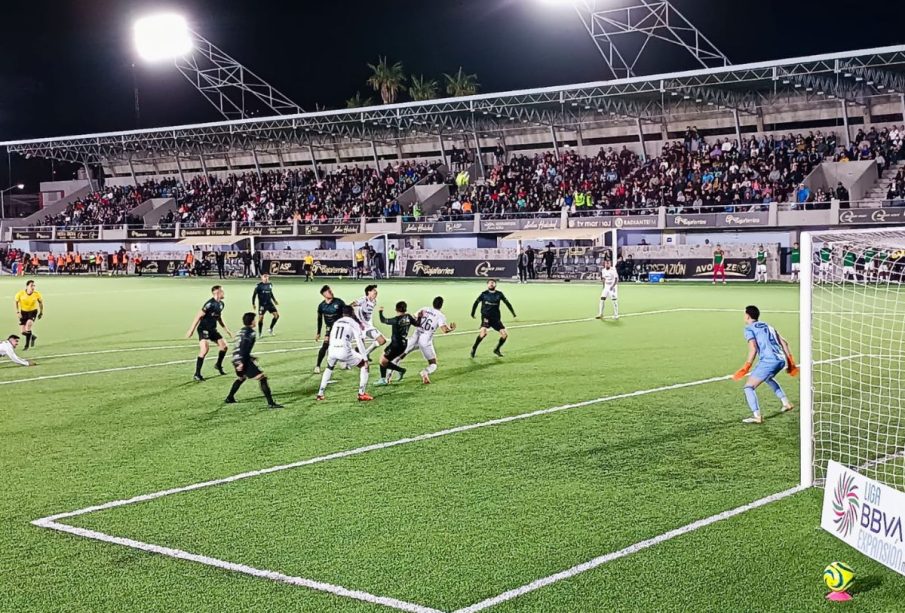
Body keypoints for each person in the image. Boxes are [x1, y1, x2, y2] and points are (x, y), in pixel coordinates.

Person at [732, 305, 796, 424]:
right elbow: (785, 343)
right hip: (781, 359)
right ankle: (786, 403)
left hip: (769, 361)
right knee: (768, 378)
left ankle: (757, 416)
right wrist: (790, 362)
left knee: (748, 387)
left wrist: (747, 366)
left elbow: (753, 348)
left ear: (747, 316)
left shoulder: (749, 328)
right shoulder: (768, 326)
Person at [391, 296, 456, 384]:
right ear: (441, 305)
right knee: (433, 363)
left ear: (433, 303)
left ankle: (387, 378)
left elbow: (413, 318)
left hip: (415, 337)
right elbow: (444, 330)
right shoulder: (441, 316)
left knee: (399, 356)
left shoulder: (424, 309)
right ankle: (425, 372)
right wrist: (451, 329)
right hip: (425, 342)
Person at [224, 312, 283, 409]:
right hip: (242, 360)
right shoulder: (251, 333)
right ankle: (271, 403)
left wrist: (246, 358)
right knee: (262, 378)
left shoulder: (241, 331)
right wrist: (242, 362)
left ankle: (229, 398)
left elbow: (239, 347)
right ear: (252, 322)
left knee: (241, 378)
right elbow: (244, 348)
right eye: (254, 320)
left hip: (236, 358)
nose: (255, 321)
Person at [316, 305, 373, 402]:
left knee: (329, 368)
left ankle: (320, 394)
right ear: (352, 313)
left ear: (343, 314)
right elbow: (359, 342)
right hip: (344, 351)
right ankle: (361, 393)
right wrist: (366, 358)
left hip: (332, 350)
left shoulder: (336, 322)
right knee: (364, 365)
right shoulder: (353, 323)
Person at [185, 285, 233, 382]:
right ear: (217, 292)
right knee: (205, 349)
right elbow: (198, 316)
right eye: (222, 291)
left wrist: (227, 330)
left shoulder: (221, 304)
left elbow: (218, 318)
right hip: (203, 329)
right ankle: (197, 374)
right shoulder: (209, 304)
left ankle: (218, 365)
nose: (223, 293)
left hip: (212, 329)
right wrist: (191, 330)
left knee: (224, 347)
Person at [374, 301, 417, 385]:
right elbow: (417, 324)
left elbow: (383, 320)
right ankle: (384, 378)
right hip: (403, 344)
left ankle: (399, 371)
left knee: (383, 361)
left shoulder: (396, 320)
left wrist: (380, 311)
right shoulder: (408, 317)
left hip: (395, 345)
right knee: (383, 357)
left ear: (396, 309)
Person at [470, 279, 516, 358]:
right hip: (486, 317)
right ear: (487, 285)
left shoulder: (499, 294)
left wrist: (513, 313)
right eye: (489, 283)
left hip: (496, 319)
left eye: (493, 283)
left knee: (504, 335)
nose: (491, 284)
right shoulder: (484, 294)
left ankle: (497, 349)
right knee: (483, 333)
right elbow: (476, 303)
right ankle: (474, 348)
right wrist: (472, 313)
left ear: (495, 285)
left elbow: (507, 303)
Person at [315, 285, 346, 374]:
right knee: (325, 345)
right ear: (324, 294)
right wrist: (318, 332)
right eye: (329, 291)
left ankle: (342, 360)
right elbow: (319, 319)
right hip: (329, 329)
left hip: (340, 328)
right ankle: (318, 365)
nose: (331, 292)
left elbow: (346, 312)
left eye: (331, 290)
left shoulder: (339, 302)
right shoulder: (321, 306)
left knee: (342, 344)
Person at [352, 284, 386, 356]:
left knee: (382, 341)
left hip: (369, 326)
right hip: (360, 326)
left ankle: (365, 354)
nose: (376, 292)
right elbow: (350, 305)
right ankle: (348, 360)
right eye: (374, 291)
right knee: (360, 347)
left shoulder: (374, 301)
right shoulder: (363, 300)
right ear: (368, 292)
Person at [14, 280, 44, 350]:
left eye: (34, 286)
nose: (33, 287)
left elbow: (40, 303)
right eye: (31, 285)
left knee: (28, 325)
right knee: (23, 332)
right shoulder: (20, 293)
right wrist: (18, 312)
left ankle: (27, 345)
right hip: (23, 312)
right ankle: (32, 337)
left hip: (32, 312)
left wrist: (41, 312)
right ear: (27, 286)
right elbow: (16, 302)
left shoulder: (36, 294)